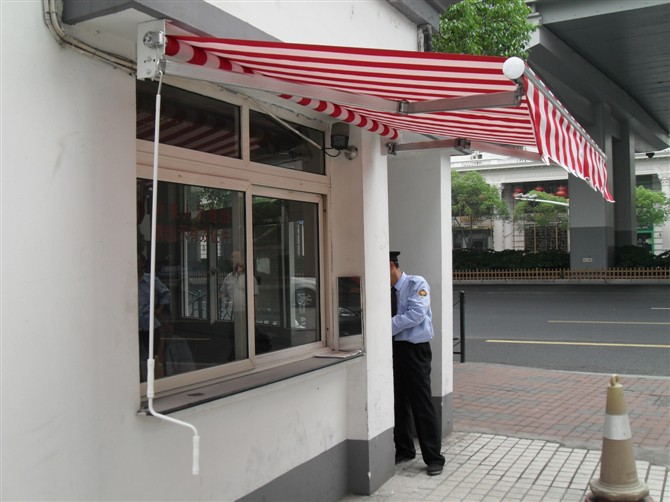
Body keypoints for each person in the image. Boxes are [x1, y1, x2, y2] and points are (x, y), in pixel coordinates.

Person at [390, 251, 446, 476]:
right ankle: (404, 449)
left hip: (415, 350)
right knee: (398, 401)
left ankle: (434, 457)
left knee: (421, 403)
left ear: (391, 265)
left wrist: (384, 325)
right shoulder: (385, 291)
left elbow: (417, 313)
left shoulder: (416, 283)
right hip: (394, 349)